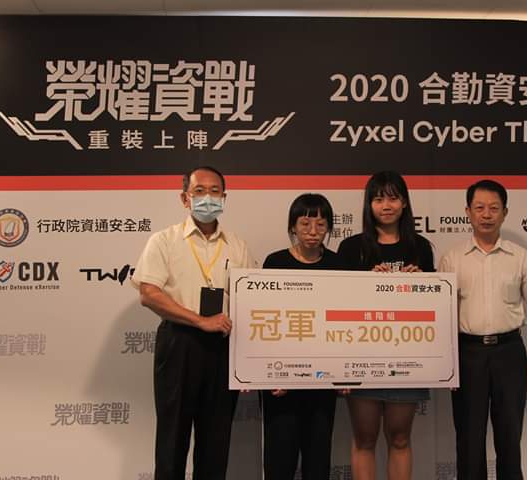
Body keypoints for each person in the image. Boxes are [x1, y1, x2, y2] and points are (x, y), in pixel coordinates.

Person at [132, 166, 256, 480]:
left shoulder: (237, 246)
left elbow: (251, 302)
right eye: (199, 191)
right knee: (172, 441)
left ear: (225, 198)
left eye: (215, 191)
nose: (208, 198)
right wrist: (200, 321)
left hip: (223, 349)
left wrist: (248, 362)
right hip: (179, 345)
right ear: (185, 198)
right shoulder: (164, 240)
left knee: (216, 444)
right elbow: (149, 294)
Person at [438, 179, 527, 480]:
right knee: (469, 439)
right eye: (479, 208)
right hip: (467, 354)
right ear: (468, 212)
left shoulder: (520, 257)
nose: (486, 214)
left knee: (510, 437)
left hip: (509, 353)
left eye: (494, 208)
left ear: (505, 213)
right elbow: (442, 314)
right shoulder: (451, 258)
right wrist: (446, 365)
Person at [337, 171, 434, 480]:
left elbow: (434, 306)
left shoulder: (420, 247)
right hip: (361, 355)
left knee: (400, 438)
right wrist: (366, 283)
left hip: (407, 356)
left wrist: (422, 284)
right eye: (378, 199)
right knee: (364, 439)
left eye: (393, 198)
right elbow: (337, 304)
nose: (386, 206)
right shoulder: (351, 248)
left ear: (404, 203)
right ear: (369, 205)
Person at [261, 193, 342, 480]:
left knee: (318, 460)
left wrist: (345, 372)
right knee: (279, 460)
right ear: (293, 226)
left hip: (323, 380)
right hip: (281, 382)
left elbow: (346, 323)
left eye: (321, 224)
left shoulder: (339, 264)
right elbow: (265, 322)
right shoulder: (275, 262)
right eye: (305, 223)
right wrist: (270, 375)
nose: (313, 231)